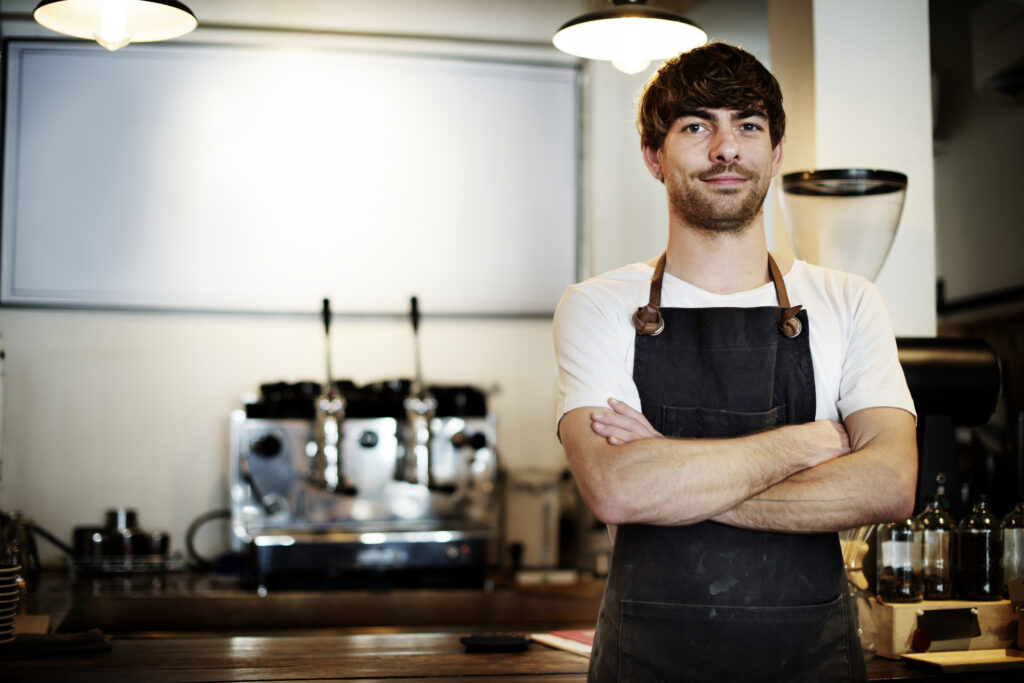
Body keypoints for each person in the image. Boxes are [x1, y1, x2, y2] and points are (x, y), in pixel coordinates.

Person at [553, 42, 917, 682]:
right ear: (653, 157)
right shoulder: (597, 305)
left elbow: (889, 486)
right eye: (697, 126)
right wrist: (808, 444)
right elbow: (615, 489)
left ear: (775, 153)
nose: (727, 149)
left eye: (748, 126)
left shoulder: (849, 301)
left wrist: (667, 465)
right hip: (648, 664)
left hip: (811, 663)